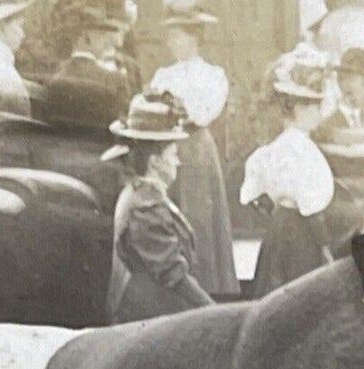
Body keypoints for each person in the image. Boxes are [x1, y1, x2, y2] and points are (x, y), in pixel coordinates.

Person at [148, 0, 236, 298]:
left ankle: (206, 285)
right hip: (167, 149)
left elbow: (202, 113)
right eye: (170, 35)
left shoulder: (212, 75)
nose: (171, 42)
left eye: (178, 35)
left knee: (198, 216)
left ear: (194, 37)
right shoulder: (164, 74)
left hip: (196, 149)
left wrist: (180, 107)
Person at [104, 89, 212, 324]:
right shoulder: (146, 206)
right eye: (173, 155)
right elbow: (173, 274)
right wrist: (213, 313)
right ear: (155, 163)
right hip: (149, 318)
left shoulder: (142, 193)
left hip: (153, 312)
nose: (178, 162)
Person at [241, 44, 335, 299]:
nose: (319, 114)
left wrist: (277, 210)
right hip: (301, 235)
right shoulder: (301, 149)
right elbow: (312, 210)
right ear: (299, 108)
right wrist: (325, 246)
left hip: (278, 230)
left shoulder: (277, 146)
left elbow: (252, 196)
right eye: (315, 107)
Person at [46, 7, 130, 132]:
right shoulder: (114, 80)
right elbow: (123, 128)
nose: (106, 41)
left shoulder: (52, 75)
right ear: (86, 37)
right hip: (101, 150)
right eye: (101, 35)